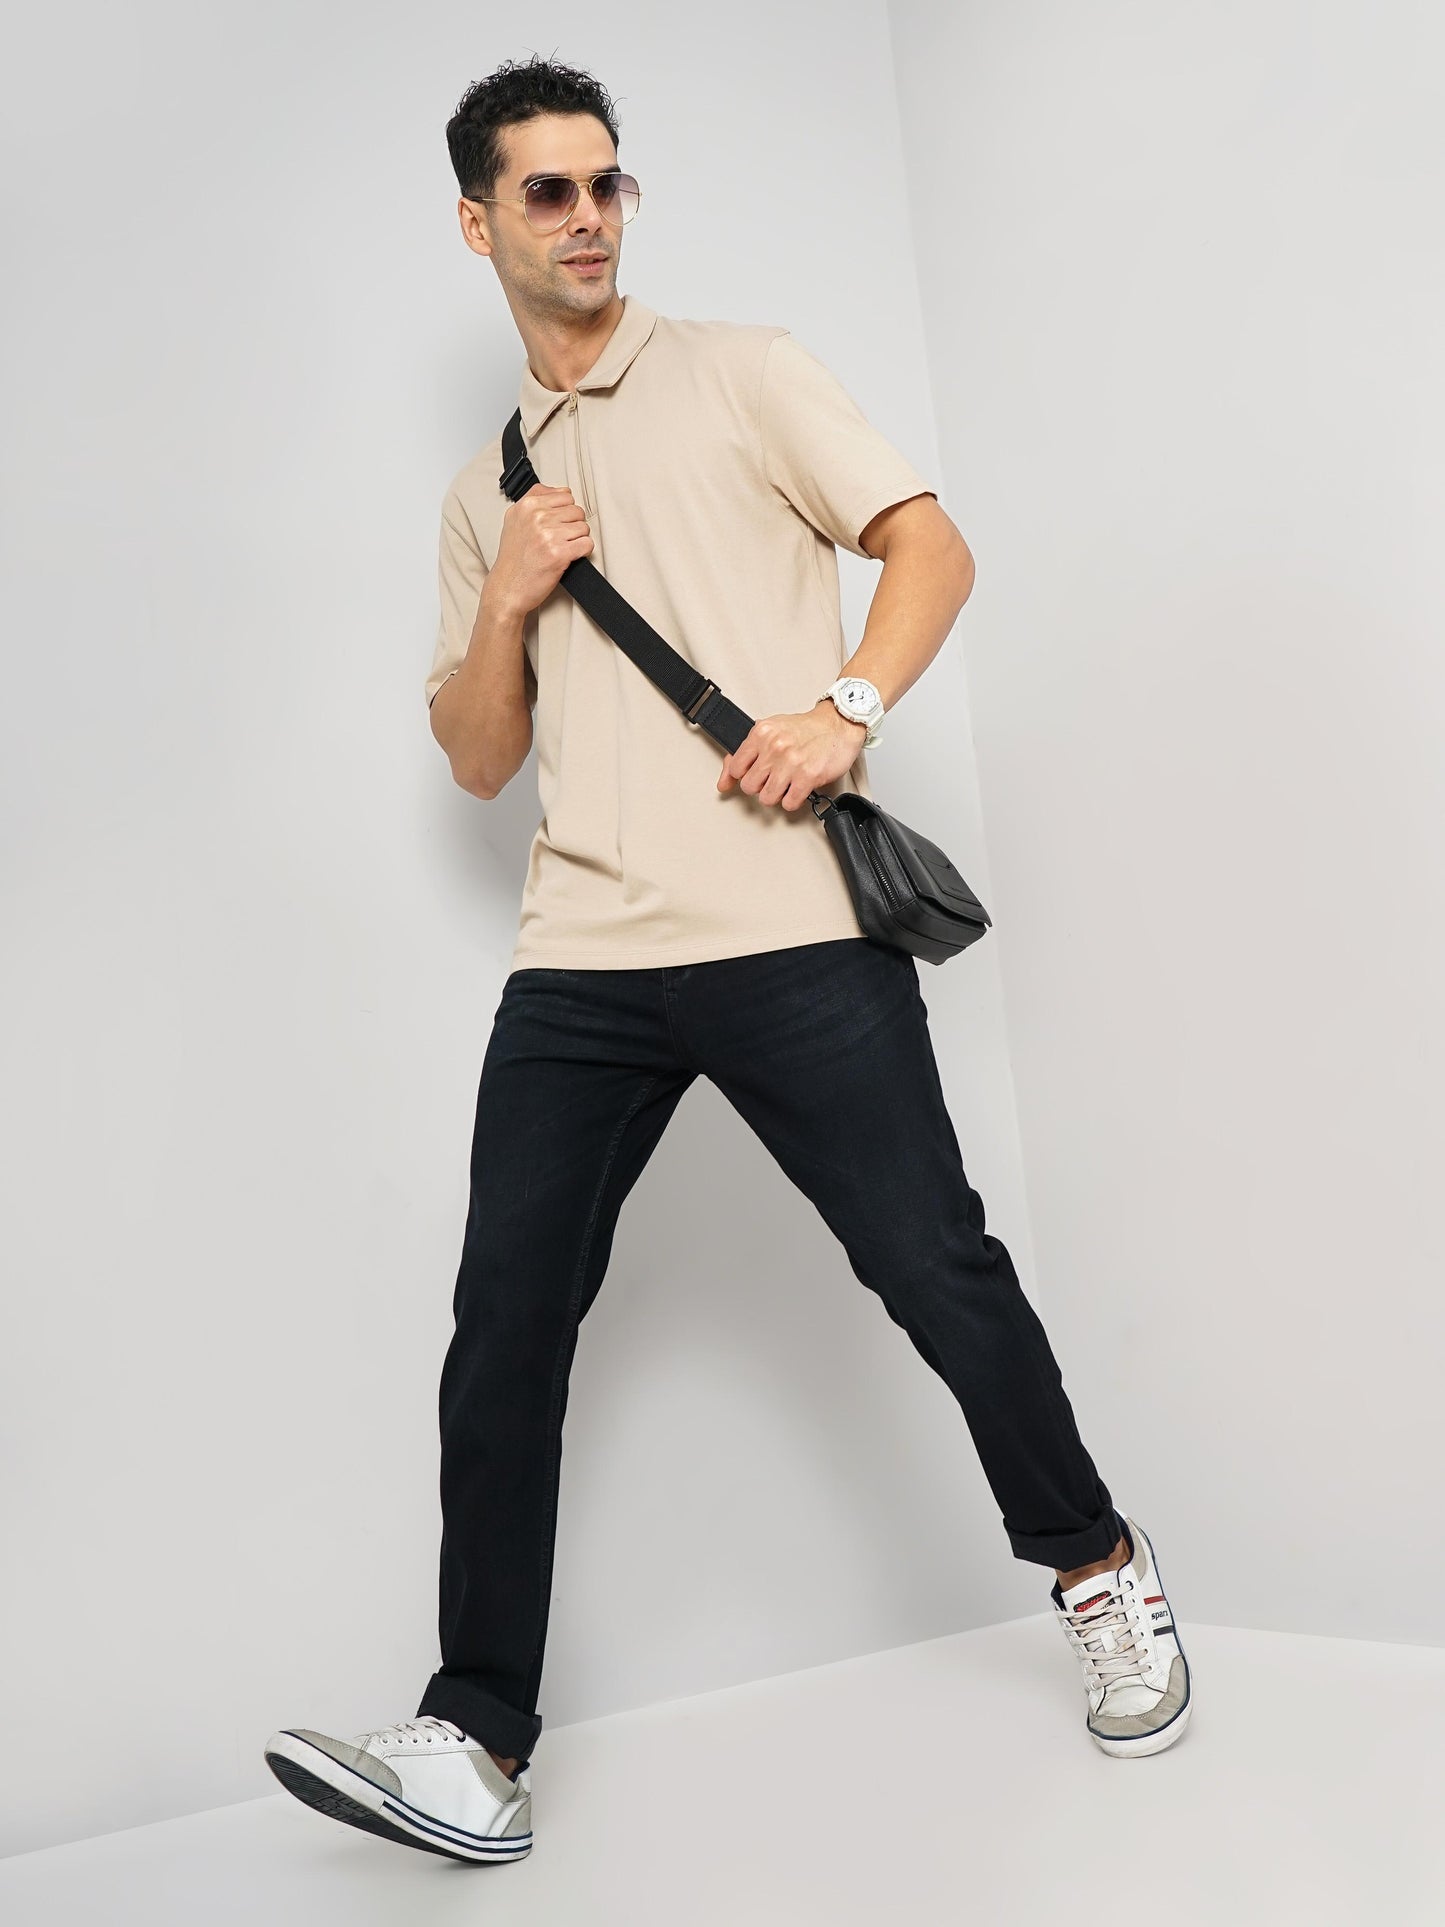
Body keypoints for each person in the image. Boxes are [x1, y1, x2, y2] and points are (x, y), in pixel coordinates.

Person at [263, 53, 1191, 1866]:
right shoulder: (482, 494)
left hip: (789, 928)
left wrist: (844, 708)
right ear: (476, 223)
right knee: (503, 1325)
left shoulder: (746, 372)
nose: (587, 217)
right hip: (581, 958)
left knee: (931, 1265)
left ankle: (1096, 1566)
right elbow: (475, 757)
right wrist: (510, 593)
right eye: (546, 192)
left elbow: (927, 546)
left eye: (606, 183)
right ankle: (476, 1742)